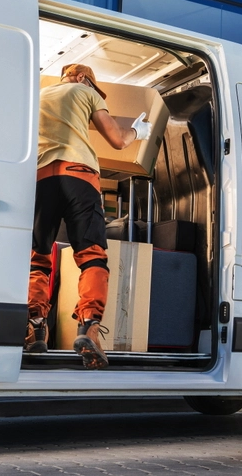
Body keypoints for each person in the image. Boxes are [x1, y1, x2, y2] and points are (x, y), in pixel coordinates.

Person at [26, 63, 152, 369]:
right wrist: (138, 130)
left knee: (38, 256)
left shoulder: (37, 96)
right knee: (92, 255)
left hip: (41, 179)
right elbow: (118, 140)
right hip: (78, 176)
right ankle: (89, 327)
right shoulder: (85, 91)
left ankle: (35, 328)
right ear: (82, 76)